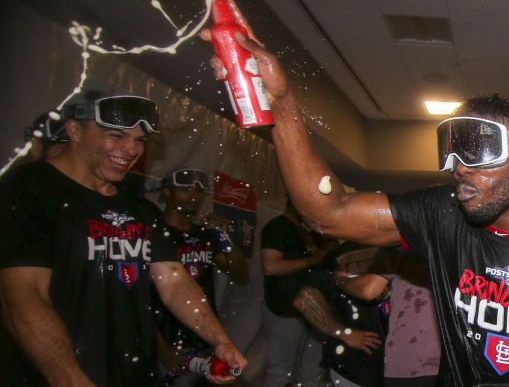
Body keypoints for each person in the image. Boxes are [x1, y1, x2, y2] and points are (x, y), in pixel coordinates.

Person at [201, 6, 509, 386]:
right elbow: (328, 211)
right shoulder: (445, 214)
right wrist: (281, 102)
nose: (461, 167)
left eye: (480, 151)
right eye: (453, 151)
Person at [0, 88, 246, 387]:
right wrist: (69, 378)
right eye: (117, 136)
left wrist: (219, 338)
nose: (131, 149)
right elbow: (23, 296)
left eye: (140, 140)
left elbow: (173, 279)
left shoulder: (138, 206)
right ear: (74, 130)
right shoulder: (29, 190)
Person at [153, 167, 248, 386]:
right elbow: (140, 297)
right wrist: (160, 347)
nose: (193, 196)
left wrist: (223, 237)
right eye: (185, 189)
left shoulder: (203, 234)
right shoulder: (154, 232)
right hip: (164, 337)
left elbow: (240, 273)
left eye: (198, 191)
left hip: (202, 336)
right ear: (167, 192)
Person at [335, 246, 442, 387]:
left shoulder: (402, 241)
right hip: (453, 359)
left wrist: (340, 280)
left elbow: (368, 289)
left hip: (413, 358)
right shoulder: (461, 240)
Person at [260, 200, 336, 387]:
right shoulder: (277, 227)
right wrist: (311, 260)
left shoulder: (310, 230)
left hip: (315, 308)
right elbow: (270, 266)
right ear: (292, 201)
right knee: (282, 371)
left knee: (314, 370)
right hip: (285, 308)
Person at [293, 246, 386, 387]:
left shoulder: (391, 250)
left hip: (387, 364)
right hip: (357, 366)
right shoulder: (341, 257)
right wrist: (344, 333)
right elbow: (304, 300)